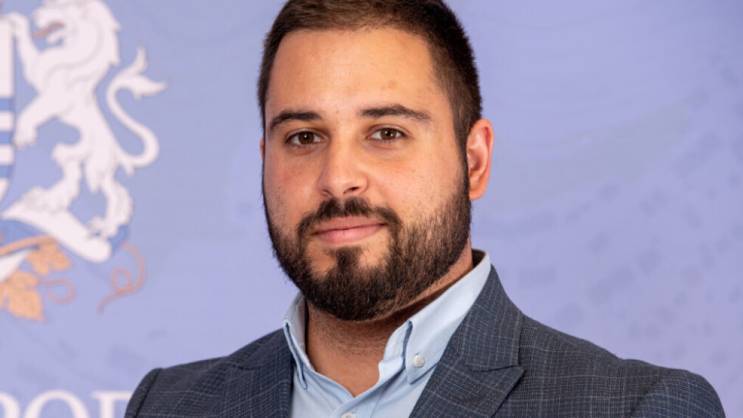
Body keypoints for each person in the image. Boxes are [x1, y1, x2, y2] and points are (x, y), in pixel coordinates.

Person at [125, 1, 725, 416]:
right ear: (264, 159)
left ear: (475, 161)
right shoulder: (168, 406)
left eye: (386, 133)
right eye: (304, 137)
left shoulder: (636, 409)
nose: (338, 179)